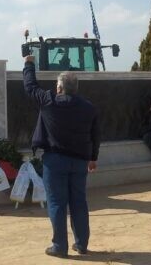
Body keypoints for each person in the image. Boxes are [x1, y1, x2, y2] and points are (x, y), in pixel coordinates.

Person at [24, 55, 100, 258]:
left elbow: (30, 87)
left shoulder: (49, 102)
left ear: (59, 88)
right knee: (79, 202)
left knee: (57, 203)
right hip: (80, 162)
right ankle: (81, 244)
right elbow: (95, 135)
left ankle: (60, 246)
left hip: (55, 161)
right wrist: (93, 158)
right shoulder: (89, 108)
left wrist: (29, 64)